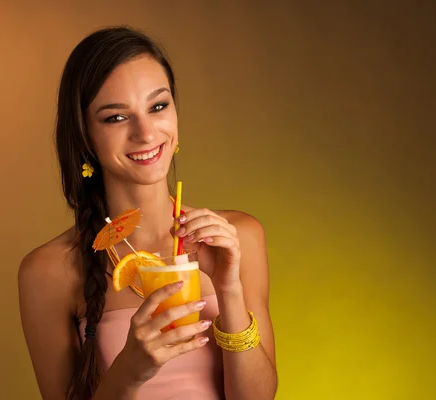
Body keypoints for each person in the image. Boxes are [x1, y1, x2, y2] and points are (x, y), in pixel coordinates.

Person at [18, 26, 277, 400]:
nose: (145, 132)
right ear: (84, 137)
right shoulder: (46, 271)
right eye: (116, 117)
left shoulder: (238, 236)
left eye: (158, 106)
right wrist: (129, 372)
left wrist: (229, 290)